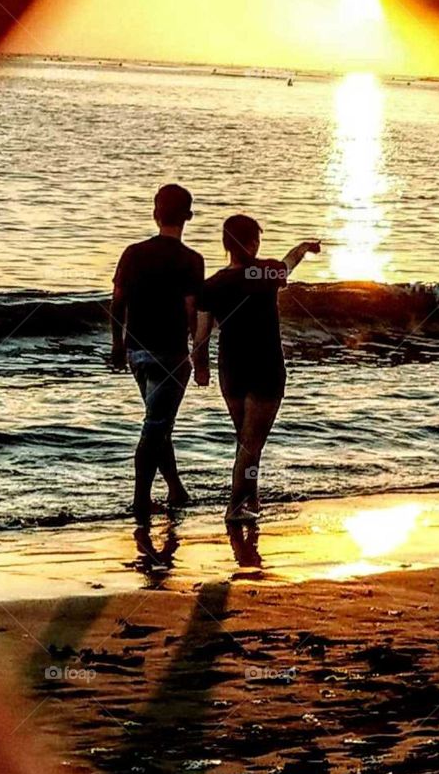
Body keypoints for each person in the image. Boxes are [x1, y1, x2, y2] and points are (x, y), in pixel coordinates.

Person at [193, 214, 319, 521]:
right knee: (251, 442)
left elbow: (200, 335)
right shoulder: (265, 272)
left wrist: (201, 368)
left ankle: (251, 499)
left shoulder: (212, 285)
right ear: (252, 243)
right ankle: (236, 506)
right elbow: (290, 262)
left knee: (247, 440)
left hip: (230, 370)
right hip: (265, 369)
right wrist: (303, 247)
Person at [110, 184, 204, 523]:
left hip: (137, 351)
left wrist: (117, 344)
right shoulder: (192, 260)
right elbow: (192, 311)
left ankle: (176, 488)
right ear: (188, 217)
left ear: (155, 213)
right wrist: (199, 353)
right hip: (171, 355)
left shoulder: (133, 253)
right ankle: (140, 501)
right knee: (155, 426)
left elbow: (117, 301)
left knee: (159, 421)